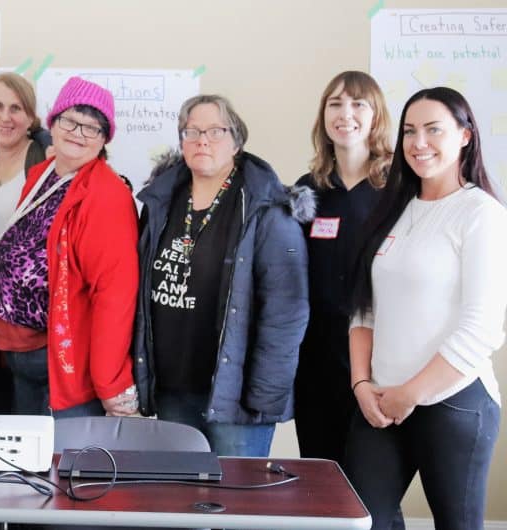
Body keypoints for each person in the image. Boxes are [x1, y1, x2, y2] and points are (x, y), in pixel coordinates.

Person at [345, 87, 507, 530]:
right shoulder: (392, 209)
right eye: (409, 131)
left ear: (466, 136)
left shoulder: (481, 214)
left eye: (434, 130)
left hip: (452, 403)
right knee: (360, 522)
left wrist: (411, 392)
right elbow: (364, 311)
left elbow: (484, 327)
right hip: (379, 403)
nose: (419, 143)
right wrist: (362, 383)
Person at [132, 94, 311, 456]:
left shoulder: (267, 209)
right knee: (177, 501)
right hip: (172, 387)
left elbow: (286, 311)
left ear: (236, 141)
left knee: (235, 502)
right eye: (192, 131)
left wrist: (264, 395)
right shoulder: (161, 201)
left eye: (215, 131)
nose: (202, 140)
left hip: (237, 397)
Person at [0, 77, 138, 418]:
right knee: (27, 466)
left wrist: (110, 381)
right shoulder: (41, 174)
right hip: (20, 353)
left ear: (104, 140)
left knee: (61, 468)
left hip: (61, 363)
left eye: (92, 127)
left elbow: (115, 295)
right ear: (53, 123)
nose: (78, 132)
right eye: (70, 120)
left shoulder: (108, 196)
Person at [293, 71, 393, 464]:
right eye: (335, 103)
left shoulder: (398, 188)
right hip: (315, 359)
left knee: (373, 487)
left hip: (379, 359)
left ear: (376, 116)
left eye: (357, 103)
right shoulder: (306, 189)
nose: (345, 113)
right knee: (321, 477)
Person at [0, 72, 48, 415]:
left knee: (19, 412)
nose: (5, 117)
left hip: (21, 315)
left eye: (16, 108)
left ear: (30, 117)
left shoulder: (42, 161)